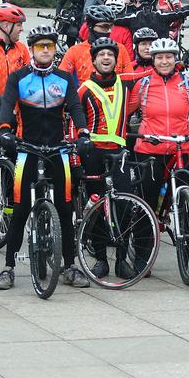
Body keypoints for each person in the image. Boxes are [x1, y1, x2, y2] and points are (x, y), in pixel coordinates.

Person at [0, 25, 91, 290]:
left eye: (49, 46)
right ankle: (9, 268)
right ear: (33, 50)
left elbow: (75, 106)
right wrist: (4, 130)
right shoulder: (18, 78)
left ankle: (70, 266)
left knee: (65, 207)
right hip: (27, 148)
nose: (45, 50)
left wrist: (83, 133)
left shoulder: (64, 78)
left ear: (55, 49)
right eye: (40, 46)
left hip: (58, 150)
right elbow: (7, 106)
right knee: (21, 208)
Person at [128, 37, 189, 276]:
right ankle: (142, 258)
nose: (164, 61)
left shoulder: (186, 82)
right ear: (152, 60)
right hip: (150, 150)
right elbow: (127, 110)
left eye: (168, 57)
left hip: (180, 149)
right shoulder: (143, 83)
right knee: (147, 207)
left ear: (175, 58)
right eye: (159, 57)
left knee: (185, 208)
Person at [76, 37, 133, 277]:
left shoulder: (126, 82)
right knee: (97, 206)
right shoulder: (83, 89)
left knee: (125, 205)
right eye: (101, 55)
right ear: (94, 60)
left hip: (119, 153)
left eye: (110, 54)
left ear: (116, 59)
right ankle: (100, 258)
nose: (106, 58)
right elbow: (73, 123)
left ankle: (122, 259)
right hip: (93, 154)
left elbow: (155, 71)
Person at [61, 5, 136, 84]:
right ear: (90, 26)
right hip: (85, 94)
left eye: (111, 26)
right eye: (104, 27)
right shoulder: (75, 51)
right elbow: (61, 80)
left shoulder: (120, 49)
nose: (109, 31)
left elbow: (130, 79)